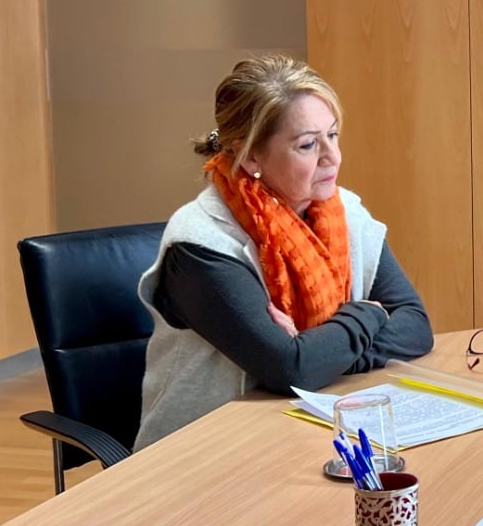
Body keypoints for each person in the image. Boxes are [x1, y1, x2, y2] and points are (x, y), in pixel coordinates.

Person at [134, 55, 433, 448]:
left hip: (308, 430)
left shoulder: (346, 214)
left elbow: (416, 326)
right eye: (308, 144)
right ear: (251, 155)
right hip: (203, 454)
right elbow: (290, 367)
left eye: (334, 135)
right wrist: (370, 314)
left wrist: (322, 355)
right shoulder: (200, 244)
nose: (332, 157)